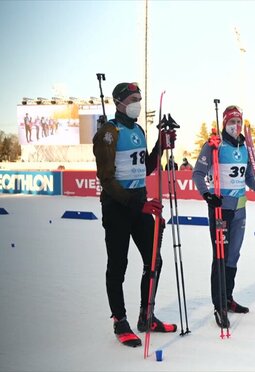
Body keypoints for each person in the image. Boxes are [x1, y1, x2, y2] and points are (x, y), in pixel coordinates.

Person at [93, 82, 177, 348]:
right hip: (119, 207)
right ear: (119, 102)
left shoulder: (139, 130)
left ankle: (146, 315)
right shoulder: (109, 132)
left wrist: (159, 148)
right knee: (118, 265)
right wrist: (136, 204)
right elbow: (107, 179)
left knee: (154, 261)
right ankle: (120, 320)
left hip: (140, 205)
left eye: (139, 98)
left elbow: (146, 167)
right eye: (132, 99)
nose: (137, 103)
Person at [192, 105, 255, 328]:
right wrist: (208, 195)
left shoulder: (245, 146)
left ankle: (228, 298)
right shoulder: (214, 146)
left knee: (233, 256)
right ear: (224, 123)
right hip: (221, 209)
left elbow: (249, 177)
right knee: (220, 256)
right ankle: (218, 305)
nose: (236, 126)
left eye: (239, 122)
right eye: (232, 122)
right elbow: (198, 174)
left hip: (240, 208)